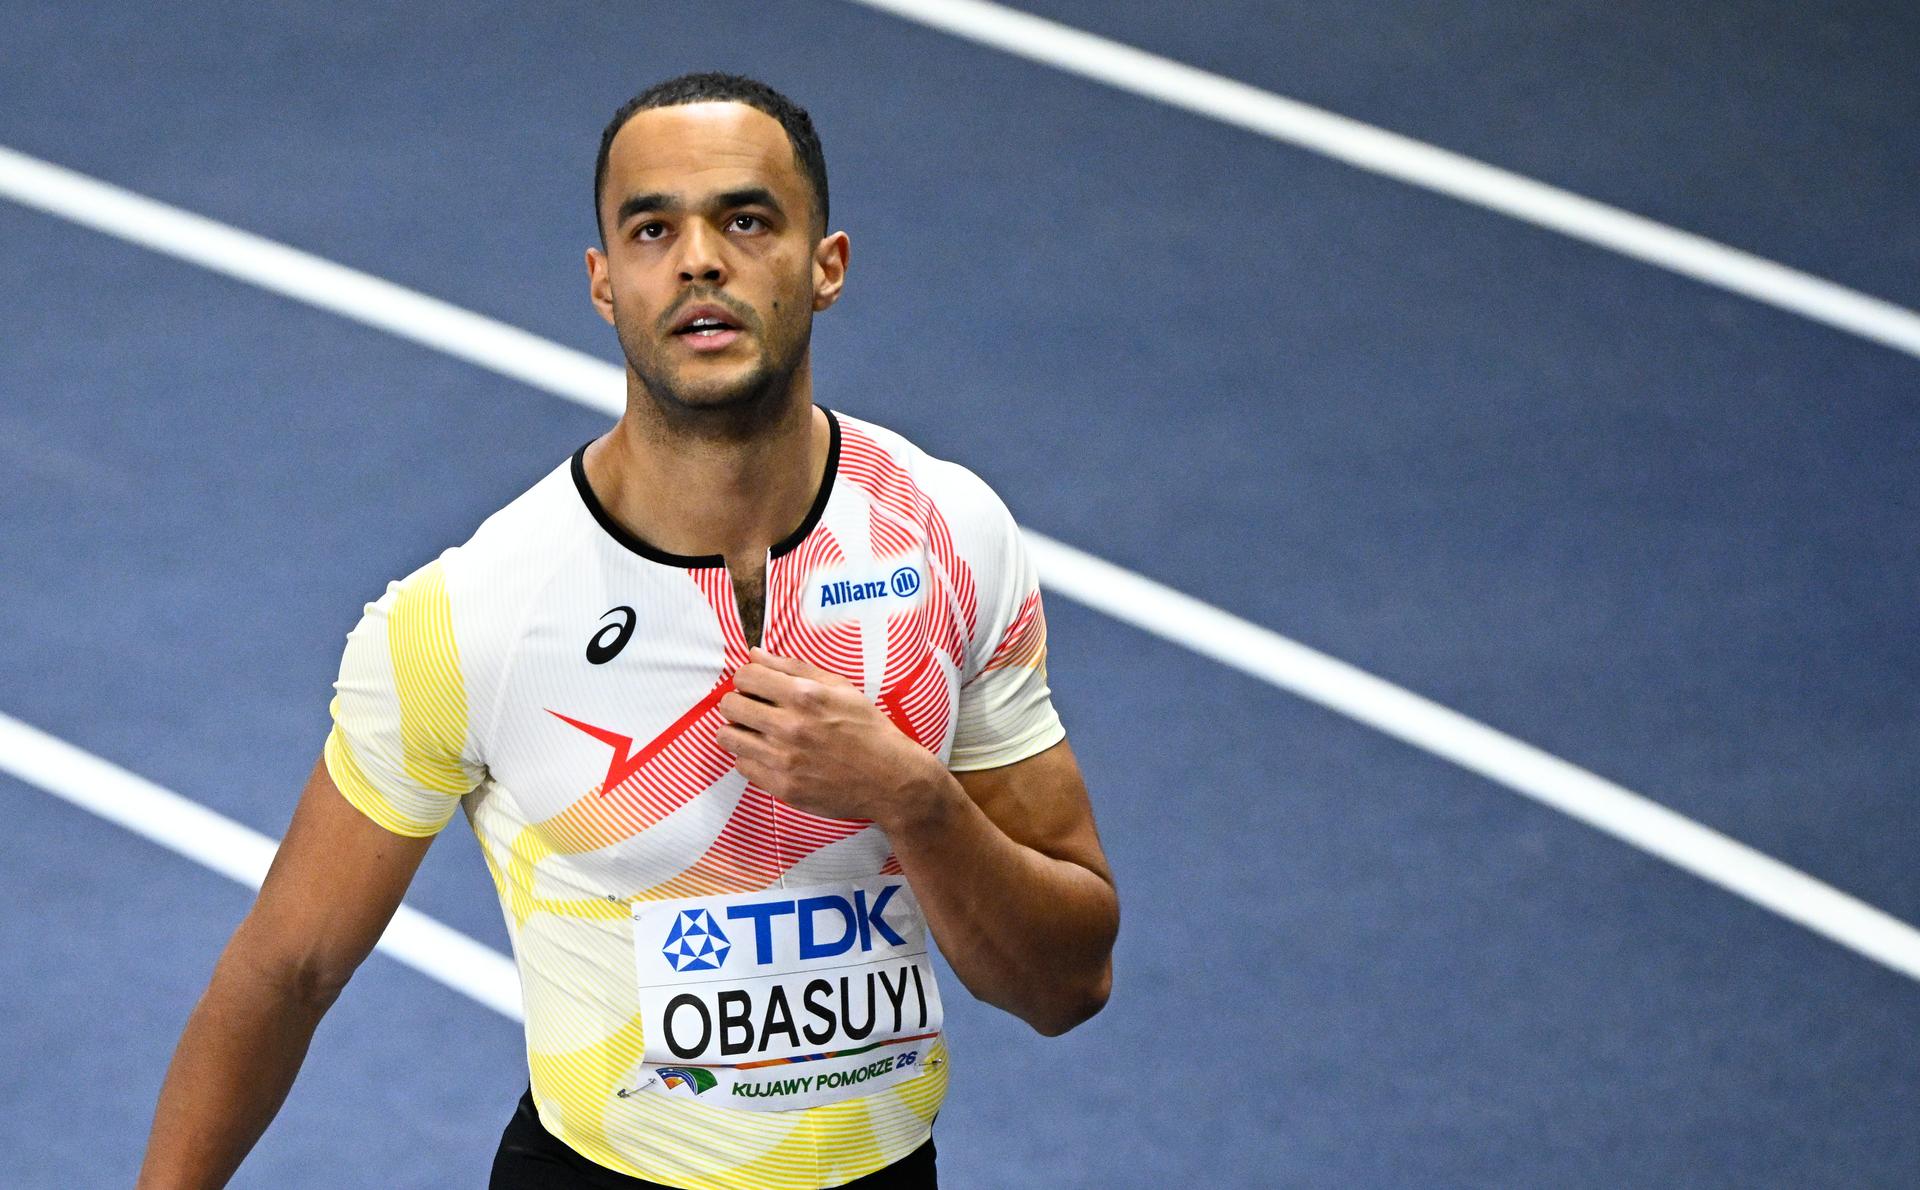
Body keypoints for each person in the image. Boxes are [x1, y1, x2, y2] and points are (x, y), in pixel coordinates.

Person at [136, 72, 1119, 1190]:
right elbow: (289, 969)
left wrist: (915, 798)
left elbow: (1068, 983)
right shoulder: (474, 614)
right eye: (654, 229)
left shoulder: (948, 536)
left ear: (827, 265)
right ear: (605, 283)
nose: (700, 260)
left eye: (746, 220)